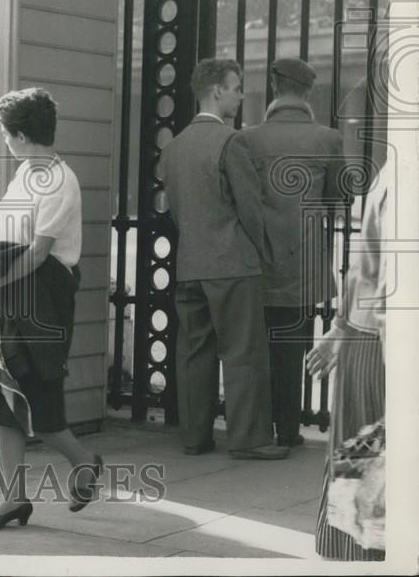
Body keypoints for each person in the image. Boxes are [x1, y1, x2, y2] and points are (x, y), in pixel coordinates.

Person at [0, 87, 102, 531]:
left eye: (6, 133)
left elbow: (40, 253)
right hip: (11, 293)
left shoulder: (62, 180)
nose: (4, 140)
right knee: (0, 394)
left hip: (41, 297)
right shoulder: (24, 173)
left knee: (40, 398)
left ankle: (84, 462)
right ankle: (13, 499)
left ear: (22, 135)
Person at [160, 58, 288, 459]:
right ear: (217, 91)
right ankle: (249, 439)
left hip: (190, 264)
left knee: (194, 353)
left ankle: (195, 437)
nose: (240, 95)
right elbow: (251, 208)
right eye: (236, 87)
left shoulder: (175, 147)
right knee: (242, 352)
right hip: (232, 264)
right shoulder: (233, 142)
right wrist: (261, 252)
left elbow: (176, 210)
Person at [243, 58, 349, 447]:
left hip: (258, 261)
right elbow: (338, 197)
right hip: (305, 262)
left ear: (273, 85)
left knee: (257, 347)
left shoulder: (248, 139)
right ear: (307, 92)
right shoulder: (328, 139)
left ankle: (259, 426)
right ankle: (289, 428)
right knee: (294, 347)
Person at [309, 161, 388, 560]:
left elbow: (365, 261)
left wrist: (341, 327)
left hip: (370, 337)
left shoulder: (392, 174)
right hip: (381, 344)